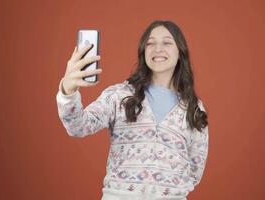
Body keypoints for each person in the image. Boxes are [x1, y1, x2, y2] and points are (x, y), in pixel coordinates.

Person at [56, 20, 209, 200]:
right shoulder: (119, 95)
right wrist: (67, 91)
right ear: (143, 51)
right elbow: (78, 126)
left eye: (167, 42)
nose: (157, 48)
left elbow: (195, 168)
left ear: (180, 52)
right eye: (150, 43)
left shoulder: (194, 107)